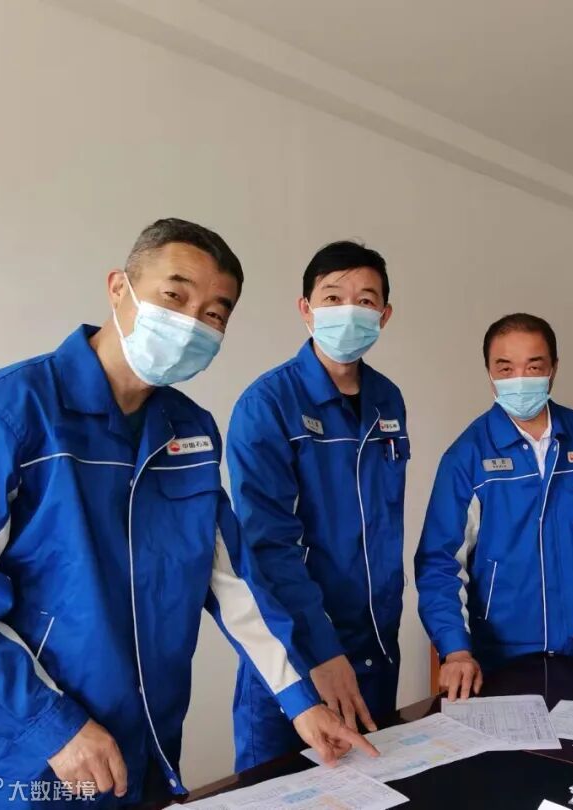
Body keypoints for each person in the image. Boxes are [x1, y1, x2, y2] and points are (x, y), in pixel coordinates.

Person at [0, 220, 375, 810]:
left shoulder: (190, 430)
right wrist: (50, 724)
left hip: (145, 742)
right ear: (118, 288)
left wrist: (301, 701)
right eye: (174, 296)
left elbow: (231, 580)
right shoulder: (5, 415)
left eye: (214, 314)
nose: (190, 323)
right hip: (20, 753)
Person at [227, 241, 406, 770]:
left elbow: (380, 527)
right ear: (306, 309)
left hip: (376, 646)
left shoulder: (388, 400)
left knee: (379, 788)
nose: (349, 311)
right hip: (298, 655)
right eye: (332, 297)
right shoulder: (268, 404)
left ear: (384, 315)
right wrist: (319, 650)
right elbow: (267, 545)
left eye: (365, 300)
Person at [415, 314, 573, 700]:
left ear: (553, 368)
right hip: (502, 658)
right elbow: (440, 564)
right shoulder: (467, 455)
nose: (519, 379)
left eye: (533, 366)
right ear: (490, 373)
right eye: (505, 368)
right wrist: (455, 649)